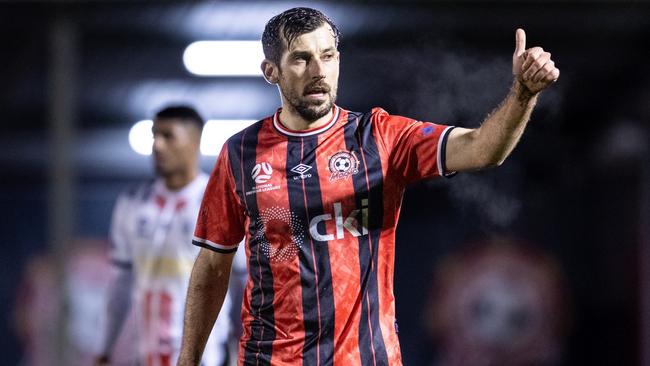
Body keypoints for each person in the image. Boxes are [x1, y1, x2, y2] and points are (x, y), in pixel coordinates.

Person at [177, 7, 560, 366]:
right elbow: (212, 266)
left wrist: (523, 95)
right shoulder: (241, 154)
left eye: (328, 56)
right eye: (301, 58)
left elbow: (481, 150)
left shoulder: (380, 138)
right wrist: (188, 361)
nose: (318, 70)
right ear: (271, 71)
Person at [95, 106, 241, 366]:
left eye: (168, 136)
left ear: (194, 141)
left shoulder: (221, 201)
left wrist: (241, 350)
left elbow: (244, 282)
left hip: (206, 358)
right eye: (154, 135)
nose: (157, 145)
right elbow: (120, 284)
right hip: (146, 356)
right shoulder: (132, 203)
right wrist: (104, 349)